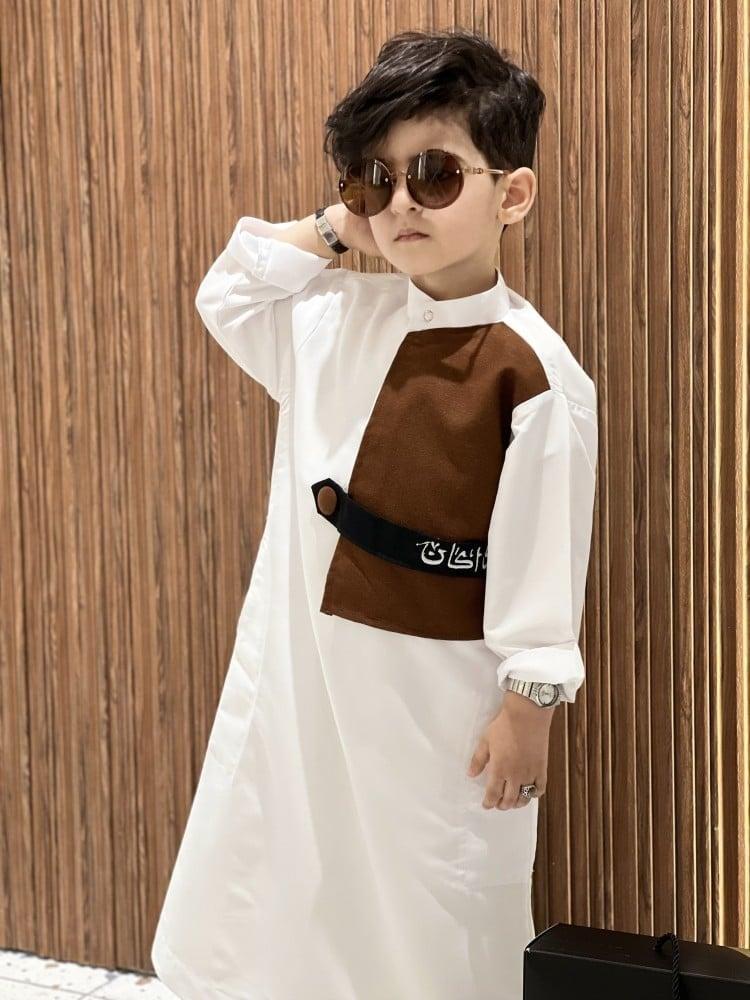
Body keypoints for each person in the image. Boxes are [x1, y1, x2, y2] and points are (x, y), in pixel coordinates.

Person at [150, 26, 598, 1000]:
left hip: (434, 702)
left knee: (433, 914)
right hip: (306, 685)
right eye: (374, 179)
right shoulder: (331, 322)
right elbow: (230, 294)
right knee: (287, 897)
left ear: (512, 193)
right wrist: (334, 227)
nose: (400, 204)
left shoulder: (534, 371)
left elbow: (545, 553)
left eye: (434, 175)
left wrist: (529, 707)